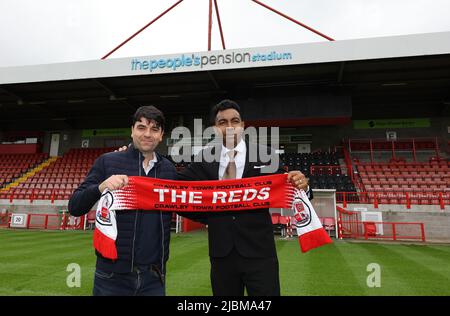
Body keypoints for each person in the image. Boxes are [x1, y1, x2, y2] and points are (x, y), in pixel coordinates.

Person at [178, 99, 312, 296]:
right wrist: (136, 159)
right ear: (215, 128)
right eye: (223, 122)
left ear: (243, 125)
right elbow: (173, 187)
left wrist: (302, 184)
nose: (230, 127)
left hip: (260, 253)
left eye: (235, 121)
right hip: (221, 254)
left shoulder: (266, 155)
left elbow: (291, 187)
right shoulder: (204, 158)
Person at [68, 105, 177, 296]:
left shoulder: (168, 170)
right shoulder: (108, 162)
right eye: (141, 127)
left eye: (154, 129)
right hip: (112, 276)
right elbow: (75, 206)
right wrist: (101, 187)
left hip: (154, 277)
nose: (147, 134)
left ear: (161, 135)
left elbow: (189, 203)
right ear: (132, 130)